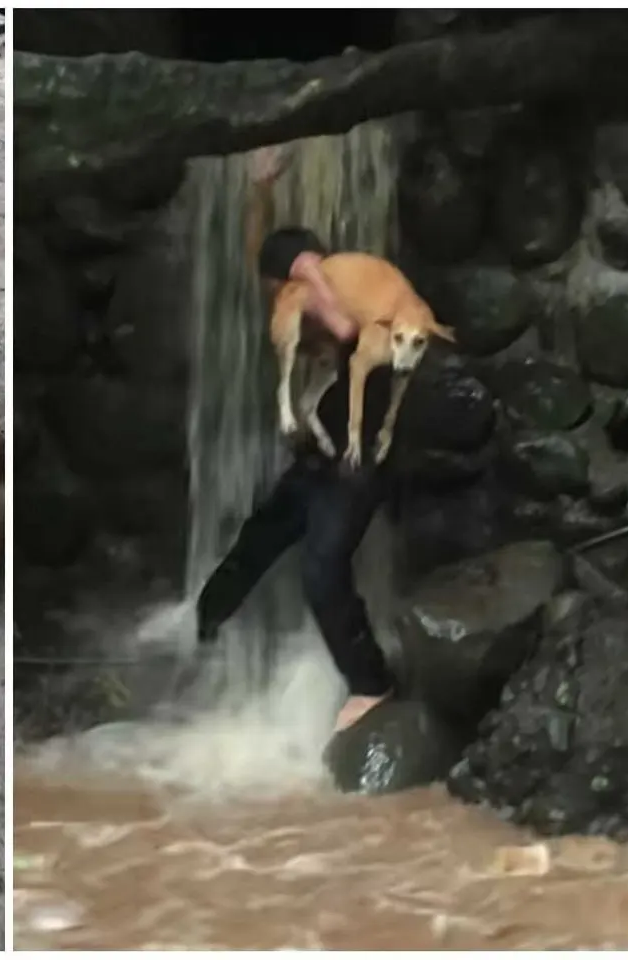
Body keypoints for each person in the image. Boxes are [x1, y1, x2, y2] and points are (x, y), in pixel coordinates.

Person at [195, 145, 396, 734]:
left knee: (321, 569)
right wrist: (261, 191)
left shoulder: (348, 309)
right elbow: (263, 255)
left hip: (356, 469)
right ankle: (206, 630)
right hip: (314, 466)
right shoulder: (292, 304)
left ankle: (372, 686)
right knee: (253, 545)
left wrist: (315, 282)